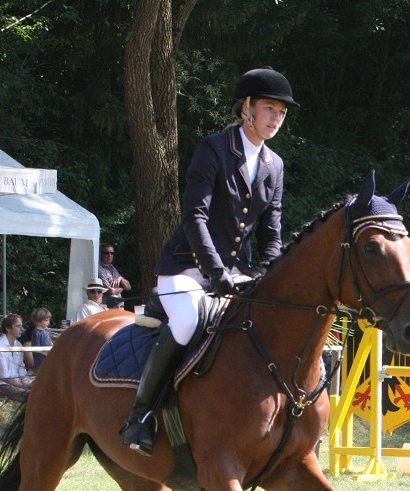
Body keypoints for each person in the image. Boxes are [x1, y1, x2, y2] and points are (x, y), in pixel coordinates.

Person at [121, 67, 296, 455]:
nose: (275, 119)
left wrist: (269, 275)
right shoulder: (214, 148)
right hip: (186, 266)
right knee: (187, 320)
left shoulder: (275, 165)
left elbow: (271, 232)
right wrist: (215, 271)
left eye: (281, 113)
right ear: (246, 107)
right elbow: (194, 216)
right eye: (269, 109)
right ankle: (141, 416)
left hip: (238, 272)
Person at [0, 314, 34, 400]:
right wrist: (22, 386)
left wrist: (28, 383)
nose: (22, 329)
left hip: (15, 382)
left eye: (21, 326)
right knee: (28, 396)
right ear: (8, 328)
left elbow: (21, 371)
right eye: (18, 326)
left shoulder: (18, 344)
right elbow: (4, 376)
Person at [98, 244, 131, 309]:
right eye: (106, 253)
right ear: (101, 254)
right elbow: (110, 291)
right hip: (108, 307)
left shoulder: (112, 268)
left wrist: (120, 278)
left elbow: (129, 287)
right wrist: (122, 288)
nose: (109, 255)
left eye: (112, 253)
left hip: (119, 307)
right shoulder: (99, 269)